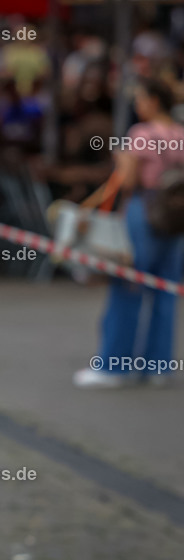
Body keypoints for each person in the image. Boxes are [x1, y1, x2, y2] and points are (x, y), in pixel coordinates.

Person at [73, 78, 184, 388]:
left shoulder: (142, 134)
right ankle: (159, 366)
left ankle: (114, 365)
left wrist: (122, 161)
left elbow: (128, 181)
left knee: (127, 286)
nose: (137, 104)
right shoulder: (179, 134)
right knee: (166, 290)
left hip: (144, 211)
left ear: (153, 101)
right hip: (175, 218)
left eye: (141, 98)